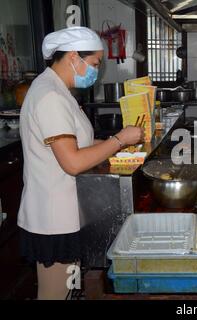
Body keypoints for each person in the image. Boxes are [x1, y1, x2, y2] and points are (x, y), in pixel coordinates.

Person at [18, 27, 144, 300]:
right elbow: (73, 162)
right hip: (53, 219)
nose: (95, 71)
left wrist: (115, 143)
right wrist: (119, 140)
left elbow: (79, 146)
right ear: (74, 57)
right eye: (95, 63)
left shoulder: (58, 91)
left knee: (68, 292)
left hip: (63, 211)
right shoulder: (50, 96)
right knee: (55, 295)